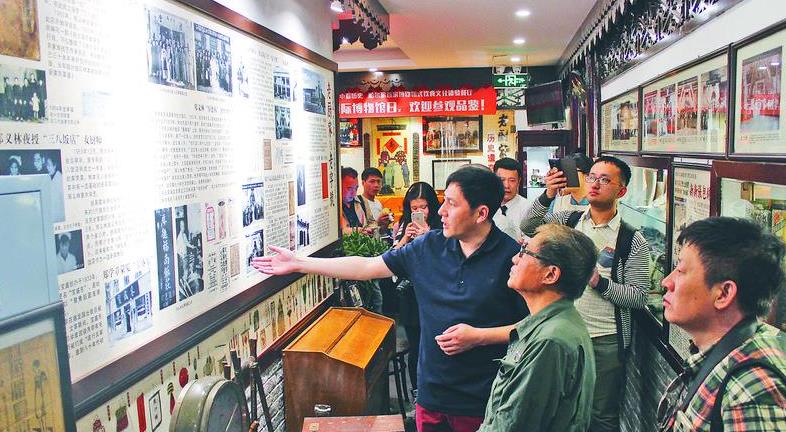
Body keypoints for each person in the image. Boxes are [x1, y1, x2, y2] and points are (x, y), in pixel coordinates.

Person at [253, 166, 528, 431]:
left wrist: (479, 336)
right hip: (432, 394)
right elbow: (367, 266)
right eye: (444, 201)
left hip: (485, 399)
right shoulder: (428, 247)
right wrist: (300, 263)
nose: (441, 211)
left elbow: (534, 329)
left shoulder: (513, 259)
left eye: (452, 204)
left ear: (481, 213)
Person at [521, 155, 650, 432]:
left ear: (621, 191)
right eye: (592, 177)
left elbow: (639, 296)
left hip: (604, 340)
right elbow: (528, 226)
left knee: (600, 414)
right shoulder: (568, 222)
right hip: (560, 333)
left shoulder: (631, 240)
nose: (594, 184)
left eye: (605, 180)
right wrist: (548, 194)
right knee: (558, 407)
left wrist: (599, 282)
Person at [657, 217, 786, 431]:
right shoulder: (728, 352)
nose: (666, 282)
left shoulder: (751, 391)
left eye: (681, 271)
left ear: (724, 294)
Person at [478, 224, 597, 432]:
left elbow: (513, 425)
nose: (515, 259)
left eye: (524, 252)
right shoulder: (554, 324)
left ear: (550, 274)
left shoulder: (550, 341)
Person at [392, 181, 442, 396]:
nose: (420, 212)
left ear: (432, 206)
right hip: (411, 296)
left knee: (435, 345)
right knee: (415, 347)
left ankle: (436, 393)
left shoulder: (443, 225)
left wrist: (427, 236)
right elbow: (393, 259)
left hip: (436, 295)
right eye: (414, 208)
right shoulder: (404, 225)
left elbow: (444, 260)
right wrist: (405, 237)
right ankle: (417, 395)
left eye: (424, 207)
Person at [491, 157, 531, 242]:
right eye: (502, 180)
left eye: (512, 180)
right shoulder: (487, 205)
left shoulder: (528, 208)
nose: (506, 185)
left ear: (519, 181)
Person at [357, 167, 393, 235]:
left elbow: (380, 230)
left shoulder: (378, 203)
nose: (376, 185)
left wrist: (386, 223)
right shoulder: (358, 203)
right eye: (372, 181)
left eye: (378, 181)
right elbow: (359, 229)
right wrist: (377, 223)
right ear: (363, 183)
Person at [339, 167, 371, 235]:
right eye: (349, 189)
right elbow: (337, 233)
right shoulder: (334, 208)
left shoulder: (362, 201)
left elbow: (371, 223)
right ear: (339, 186)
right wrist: (357, 231)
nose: (354, 193)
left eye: (356, 188)